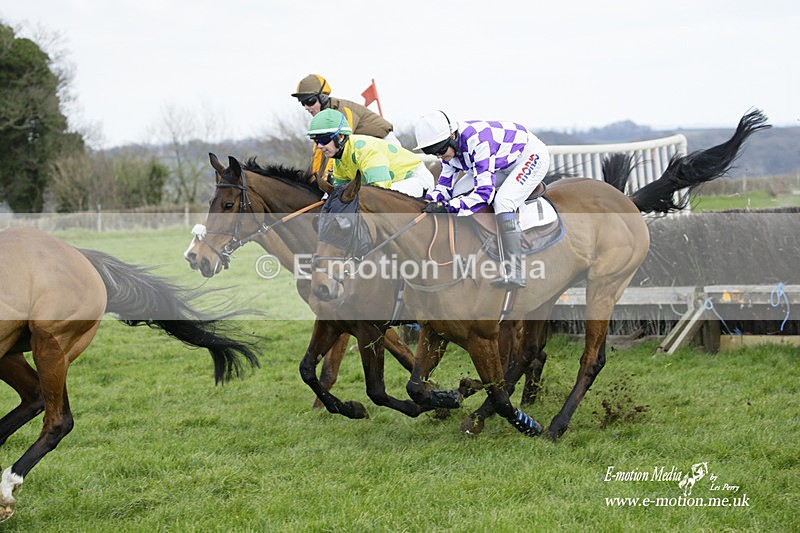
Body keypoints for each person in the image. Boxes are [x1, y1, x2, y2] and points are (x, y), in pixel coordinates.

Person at [413, 111, 550, 289]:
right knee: (457, 193)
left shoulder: (478, 141)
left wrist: (448, 208)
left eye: (440, 150)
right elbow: (445, 187)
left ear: (453, 136)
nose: (438, 156)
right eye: (432, 153)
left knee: (503, 202)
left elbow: (483, 194)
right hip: (499, 162)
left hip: (529, 157)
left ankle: (515, 270)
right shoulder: (447, 149)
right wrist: (428, 203)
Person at [307, 109, 433, 198]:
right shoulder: (339, 160)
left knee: (376, 199)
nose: (319, 146)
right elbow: (339, 193)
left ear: (340, 137)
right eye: (316, 141)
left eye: (324, 140)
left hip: (415, 179)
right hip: (393, 184)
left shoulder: (365, 151)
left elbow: (380, 192)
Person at [292, 74, 401, 177]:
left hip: (385, 145)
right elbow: (319, 153)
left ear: (323, 97)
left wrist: (326, 177)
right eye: (303, 103)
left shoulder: (342, 112)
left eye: (310, 101)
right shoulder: (323, 120)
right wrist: (313, 180)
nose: (306, 107)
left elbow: (339, 147)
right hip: (364, 150)